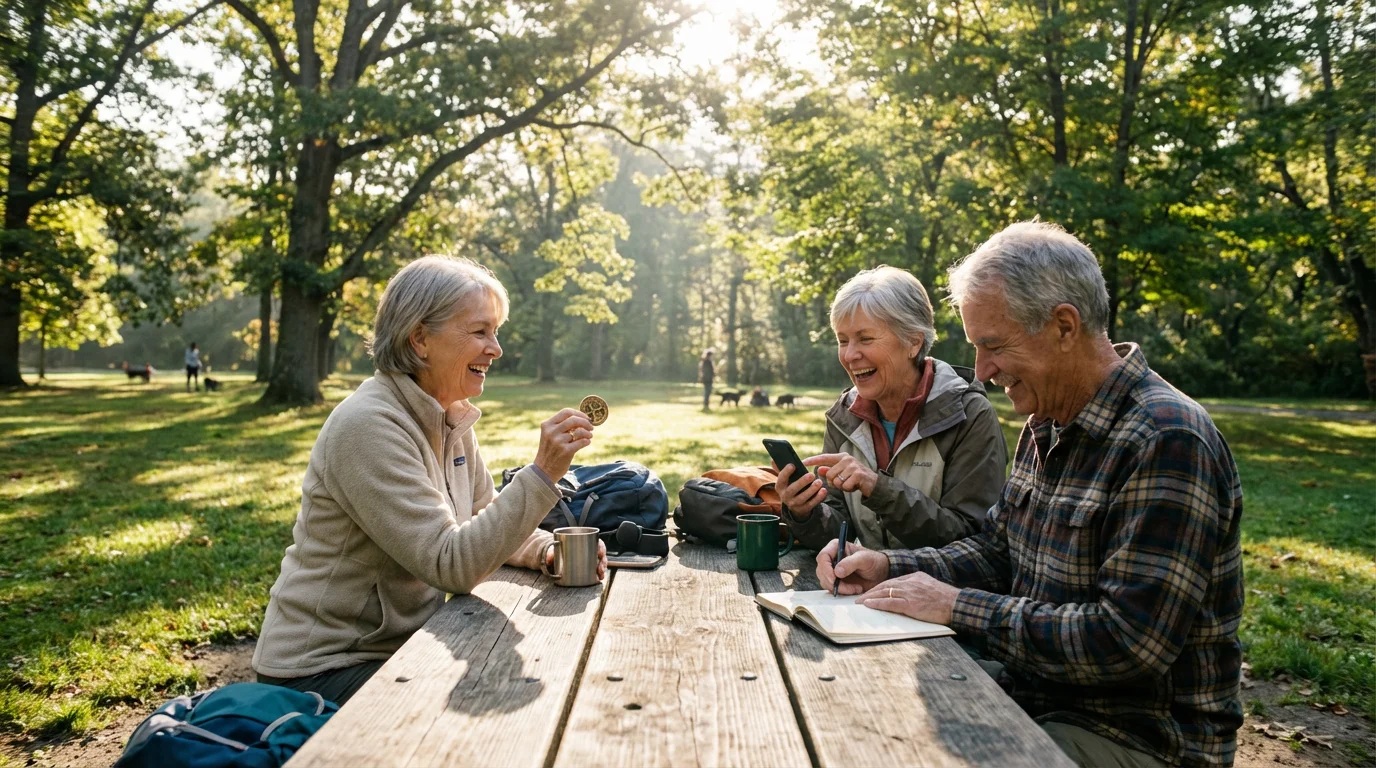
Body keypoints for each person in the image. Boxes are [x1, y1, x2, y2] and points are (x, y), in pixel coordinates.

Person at [817, 222, 1244, 768]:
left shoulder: (1166, 438)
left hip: (1138, 738)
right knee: (863, 718)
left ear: (1064, 326)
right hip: (1038, 697)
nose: (981, 372)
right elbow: (997, 550)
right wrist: (887, 565)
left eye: (993, 346)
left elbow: (1127, 643)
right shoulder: (1047, 424)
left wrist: (954, 605)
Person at [253, 255, 606, 706]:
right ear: (420, 339)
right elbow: (452, 564)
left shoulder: (447, 416)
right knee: (490, 706)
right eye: (479, 332)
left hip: (400, 648)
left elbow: (480, 516)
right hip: (324, 669)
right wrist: (541, 473)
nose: (495, 348)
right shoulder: (368, 425)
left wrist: (546, 549)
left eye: (494, 332)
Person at [777, 266, 1007, 551]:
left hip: (942, 592)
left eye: (865, 339)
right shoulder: (843, 416)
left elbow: (972, 540)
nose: (850, 355)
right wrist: (805, 512)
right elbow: (840, 534)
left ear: (913, 342)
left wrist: (878, 488)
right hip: (866, 587)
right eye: (842, 340)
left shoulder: (969, 415)